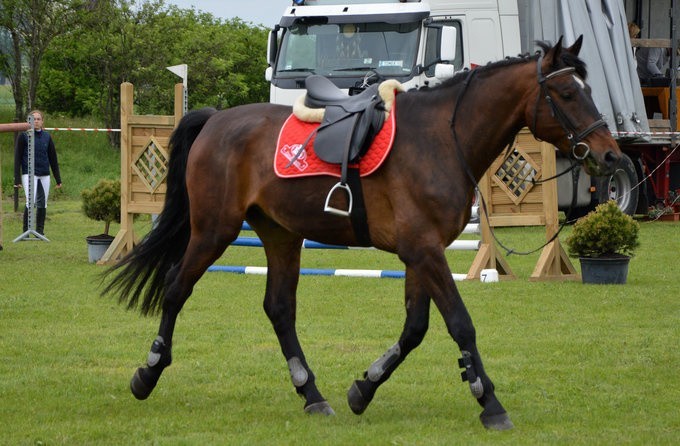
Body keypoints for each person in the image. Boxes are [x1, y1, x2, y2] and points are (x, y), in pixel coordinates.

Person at [14, 110, 62, 235]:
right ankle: (26, 231)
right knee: (30, 201)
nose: (36, 121)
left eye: (38, 119)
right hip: (29, 173)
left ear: (42, 121)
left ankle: (40, 231)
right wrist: (17, 179)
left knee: (43, 202)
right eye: (33, 119)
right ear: (28, 121)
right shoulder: (23, 136)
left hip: (44, 173)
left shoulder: (47, 136)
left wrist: (58, 179)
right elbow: (17, 158)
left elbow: (53, 158)